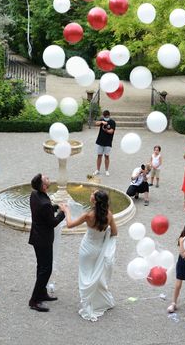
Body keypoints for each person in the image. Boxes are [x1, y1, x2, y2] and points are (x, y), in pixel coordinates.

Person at [59, 190, 118, 321]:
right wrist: (105, 233)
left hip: (87, 249)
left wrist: (66, 210)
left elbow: (69, 224)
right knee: (95, 275)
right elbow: (114, 232)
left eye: (93, 194)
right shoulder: (109, 215)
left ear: (95, 201)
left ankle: (88, 303)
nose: (91, 194)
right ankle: (99, 300)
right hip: (99, 249)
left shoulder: (88, 215)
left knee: (85, 275)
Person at [28, 173, 65, 312]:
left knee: (41, 267)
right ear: (43, 186)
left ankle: (42, 293)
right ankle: (34, 300)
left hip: (37, 237)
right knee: (46, 269)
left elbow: (43, 210)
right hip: (43, 239)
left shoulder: (35, 194)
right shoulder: (43, 202)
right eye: (47, 179)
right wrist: (63, 212)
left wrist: (54, 207)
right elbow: (53, 222)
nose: (49, 178)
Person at [93, 110, 115, 176]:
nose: (106, 117)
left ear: (109, 115)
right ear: (103, 116)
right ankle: (97, 170)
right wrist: (102, 122)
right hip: (100, 141)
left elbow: (111, 131)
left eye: (107, 116)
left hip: (108, 142)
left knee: (107, 156)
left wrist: (106, 130)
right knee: (99, 155)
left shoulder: (112, 122)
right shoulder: (102, 120)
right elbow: (96, 123)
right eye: (105, 116)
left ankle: (106, 170)